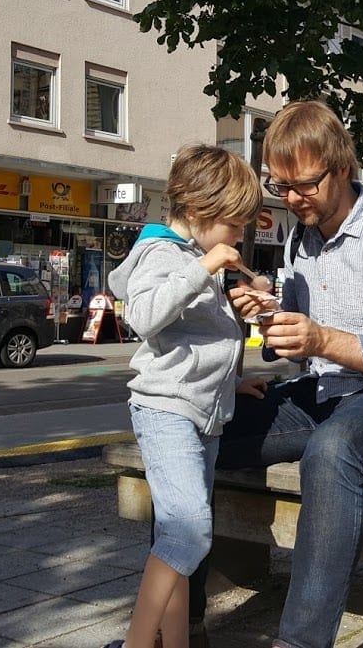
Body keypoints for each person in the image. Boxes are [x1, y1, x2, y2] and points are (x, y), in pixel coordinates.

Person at [221, 100, 363, 648]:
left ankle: (299, 642)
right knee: (201, 426)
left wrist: (322, 339)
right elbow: (296, 350)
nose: (293, 199)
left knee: (332, 447)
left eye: (305, 185)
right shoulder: (301, 237)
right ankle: (173, 622)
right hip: (324, 392)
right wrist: (266, 314)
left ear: (343, 167)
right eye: (282, 187)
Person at [104, 145, 274, 648]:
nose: (241, 236)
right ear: (199, 213)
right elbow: (146, 317)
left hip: (204, 413)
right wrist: (206, 268)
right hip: (167, 411)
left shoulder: (192, 256)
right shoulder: (162, 253)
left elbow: (199, 339)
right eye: (235, 225)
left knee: (180, 535)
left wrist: (232, 380)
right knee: (190, 532)